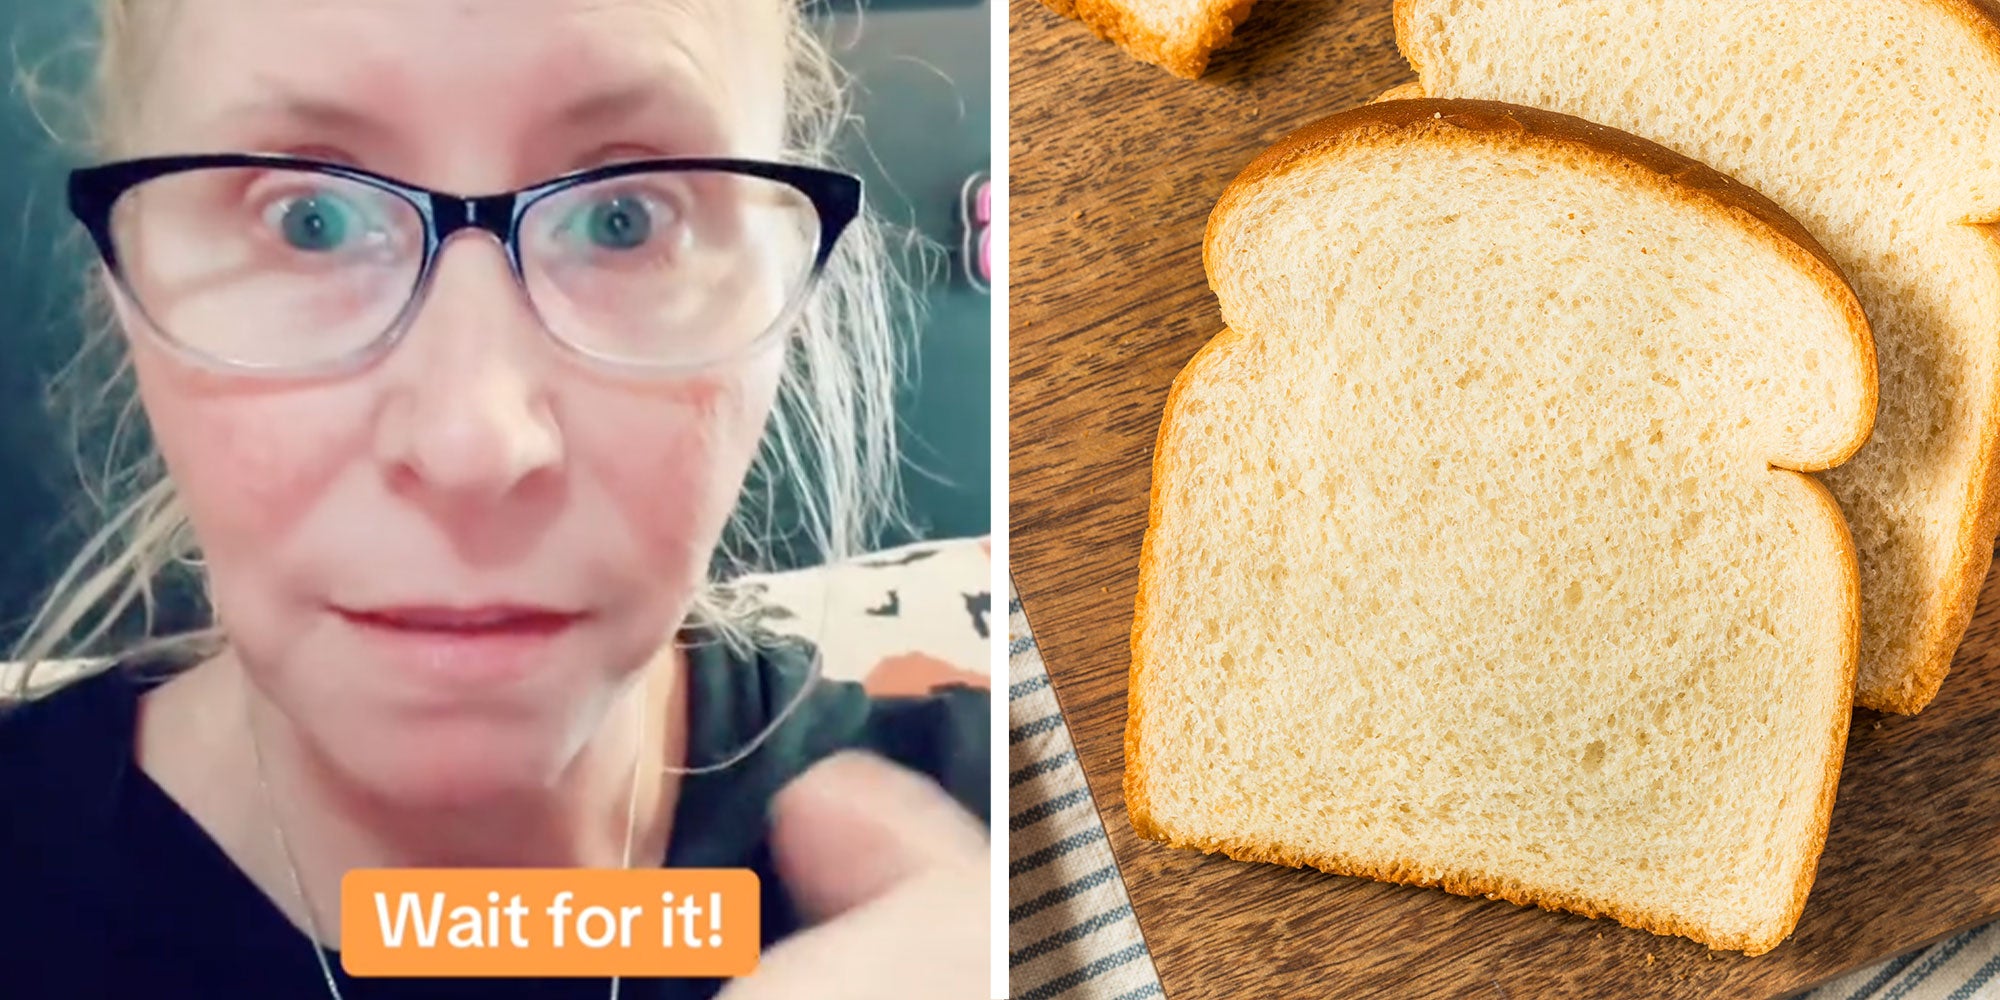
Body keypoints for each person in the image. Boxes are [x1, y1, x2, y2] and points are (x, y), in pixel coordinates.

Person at [0, 1, 991, 997]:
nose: (470, 442)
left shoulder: (1036, 851)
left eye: (622, 218)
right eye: (311, 220)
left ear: (786, 283)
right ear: (126, 279)